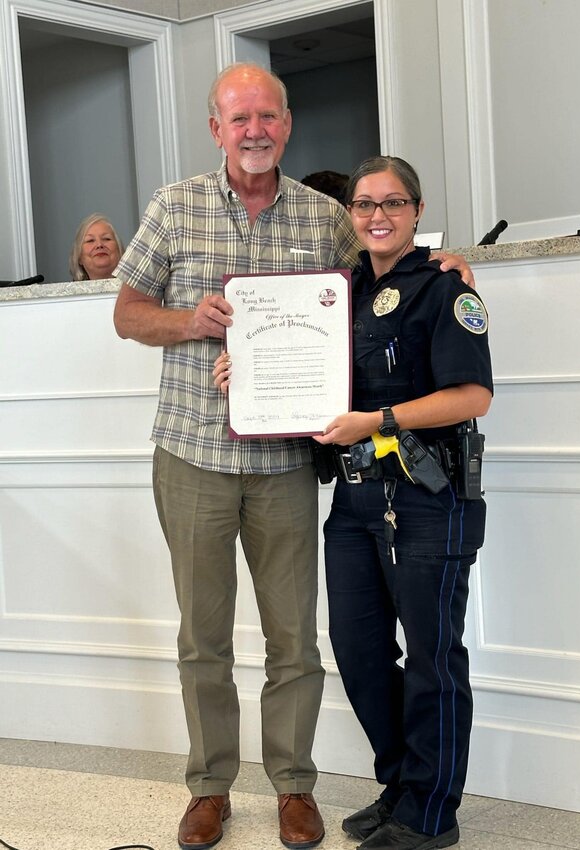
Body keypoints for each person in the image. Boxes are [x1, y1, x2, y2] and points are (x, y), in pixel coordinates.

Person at [113, 62, 475, 850]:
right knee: (201, 636)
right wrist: (191, 323)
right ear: (217, 128)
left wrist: (449, 262)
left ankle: (293, 785)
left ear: (286, 125)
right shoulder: (174, 207)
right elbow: (126, 313)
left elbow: (388, 253)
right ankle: (210, 785)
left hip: (285, 466)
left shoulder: (323, 216)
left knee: (294, 640)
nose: (254, 131)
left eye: (267, 117)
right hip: (192, 454)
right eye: (238, 118)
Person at [315, 157, 493, 850]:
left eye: (392, 203)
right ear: (350, 215)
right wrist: (250, 366)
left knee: (432, 658)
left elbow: (471, 396)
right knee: (358, 652)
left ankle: (431, 812)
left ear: (417, 210)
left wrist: (379, 421)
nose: (377, 216)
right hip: (356, 501)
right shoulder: (340, 291)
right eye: (364, 205)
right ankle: (400, 786)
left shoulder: (446, 288)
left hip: (427, 497)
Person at [69, 213, 123, 281]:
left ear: (120, 251)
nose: (99, 245)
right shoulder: (71, 291)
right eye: (90, 240)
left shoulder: (137, 289)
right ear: (79, 257)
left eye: (106, 239)